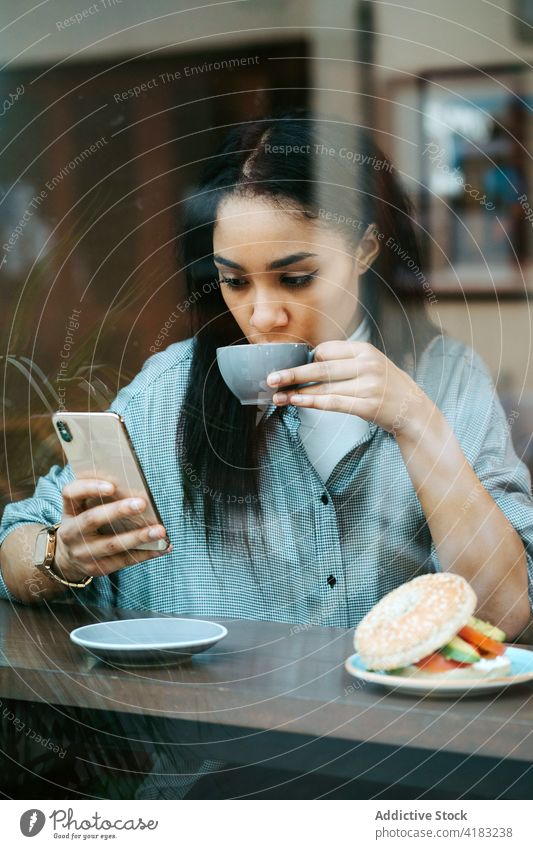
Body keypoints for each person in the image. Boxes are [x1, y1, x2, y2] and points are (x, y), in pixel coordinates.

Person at [1, 110, 532, 799]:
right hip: (209, 784)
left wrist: (414, 422)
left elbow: (504, 613)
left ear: (367, 246)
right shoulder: (166, 394)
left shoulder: (445, 381)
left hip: (404, 777)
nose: (262, 315)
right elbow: (13, 545)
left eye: (296, 276)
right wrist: (62, 557)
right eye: (234, 280)